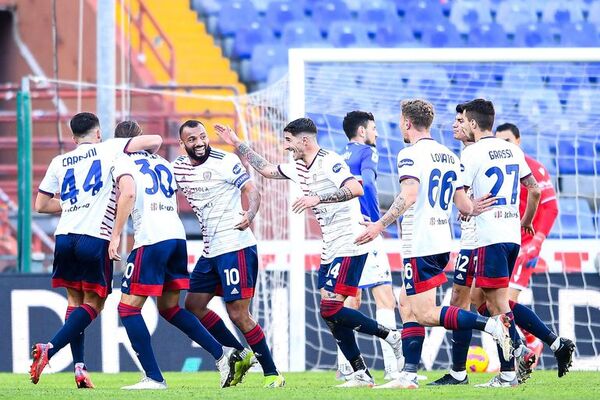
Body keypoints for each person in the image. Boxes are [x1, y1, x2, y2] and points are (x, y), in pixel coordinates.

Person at [214, 118, 404, 388]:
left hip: (351, 239)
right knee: (329, 313)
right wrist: (236, 143)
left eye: (288, 140)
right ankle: (361, 372)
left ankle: (390, 336)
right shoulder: (298, 167)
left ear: (304, 140)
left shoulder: (329, 160)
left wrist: (318, 198)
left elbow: (356, 188)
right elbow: (267, 170)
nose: (285, 146)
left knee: (330, 308)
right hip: (330, 245)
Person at [354, 99, 511, 390]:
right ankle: (409, 375)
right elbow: (463, 204)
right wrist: (478, 206)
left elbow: (409, 195)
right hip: (442, 240)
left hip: (421, 242)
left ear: (406, 123)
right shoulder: (448, 155)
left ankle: (490, 325)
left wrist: (379, 225)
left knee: (425, 313)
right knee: (406, 305)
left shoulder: (409, 154)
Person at [430, 114, 576, 386]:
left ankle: (510, 362)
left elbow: (461, 197)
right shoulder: (490, 153)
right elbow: (532, 191)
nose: (455, 125)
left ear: (472, 124)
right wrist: (525, 222)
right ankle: (550, 344)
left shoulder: (475, 154)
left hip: (483, 238)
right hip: (495, 237)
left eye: (461, 120)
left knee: (486, 304)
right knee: (482, 301)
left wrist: (468, 207)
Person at [107, 121, 243, 390]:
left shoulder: (122, 159)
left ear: (122, 143)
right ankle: (224, 355)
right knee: (169, 308)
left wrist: (116, 235)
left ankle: (154, 377)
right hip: (176, 238)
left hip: (151, 239)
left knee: (127, 308)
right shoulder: (161, 162)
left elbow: (129, 193)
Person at [30, 112, 162, 387]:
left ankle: (79, 368)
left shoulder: (59, 161)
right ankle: (50, 349)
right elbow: (154, 139)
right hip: (95, 236)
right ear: (98, 133)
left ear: (73, 136)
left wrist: (72, 204)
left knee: (73, 302)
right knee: (94, 303)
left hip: (64, 236)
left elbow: (41, 206)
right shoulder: (110, 147)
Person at [173, 120, 284, 388]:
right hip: (210, 250)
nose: (199, 143)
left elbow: (252, 191)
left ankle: (272, 374)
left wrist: (251, 213)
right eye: (192, 140)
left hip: (236, 245)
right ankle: (240, 353)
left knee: (238, 314)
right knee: (194, 305)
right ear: (182, 144)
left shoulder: (225, 161)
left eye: (202, 136)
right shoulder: (178, 167)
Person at [338, 111, 401, 380]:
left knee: (350, 299)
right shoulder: (367, 152)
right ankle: (392, 370)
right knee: (384, 296)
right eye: (373, 128)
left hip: (345, 231)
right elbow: (369, 183)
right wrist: (377, 221)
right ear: (362, 132)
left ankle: (348, 370)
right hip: (366, 229)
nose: (376, 133)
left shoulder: (340, 157)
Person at [495, 122, 562, 363]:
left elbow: (551, 207)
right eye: (499, 141)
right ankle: (529, 341)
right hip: (500, 243)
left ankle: (514, 360)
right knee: (496, 303)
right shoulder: (496, 168)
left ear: (518, 141)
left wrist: (537, 241)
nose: (503, 146)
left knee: (503, 303)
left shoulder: (534, 169)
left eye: (508, 142)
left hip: (523, 247)